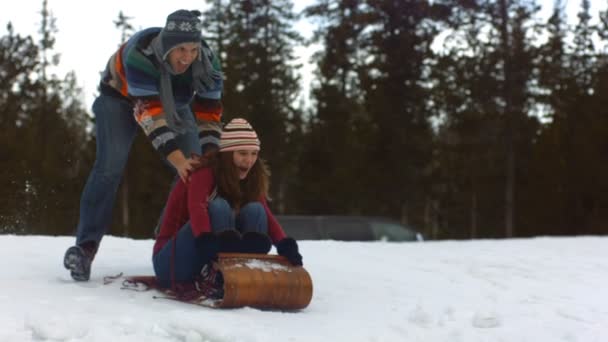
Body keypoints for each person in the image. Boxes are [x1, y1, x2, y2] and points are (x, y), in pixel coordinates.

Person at [63, 9, 223, 281]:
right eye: (181, 49)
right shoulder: (140, 54)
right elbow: (150, 116)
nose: (187, 57)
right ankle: (85, 249)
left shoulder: (207, 62)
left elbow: (209, 114)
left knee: (197, 170)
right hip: (119, 98)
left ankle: (171, 242)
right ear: (167, 45)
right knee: (109, 167)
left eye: (193, 49)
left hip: (174, 103)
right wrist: (178, 160)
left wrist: (208, 160)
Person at [152, 118, 303, 290]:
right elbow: (197, 208)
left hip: (208, 251)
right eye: (243, 153)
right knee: (219, 207)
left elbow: (266, 215)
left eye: (254, 154)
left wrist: (285, 245)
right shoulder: (203, 172)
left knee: (256, 209)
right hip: (170, 263)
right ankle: (217, 271)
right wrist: (206, 239)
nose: (249, 160)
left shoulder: (250, 178)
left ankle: (249, 268)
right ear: (228, 154)